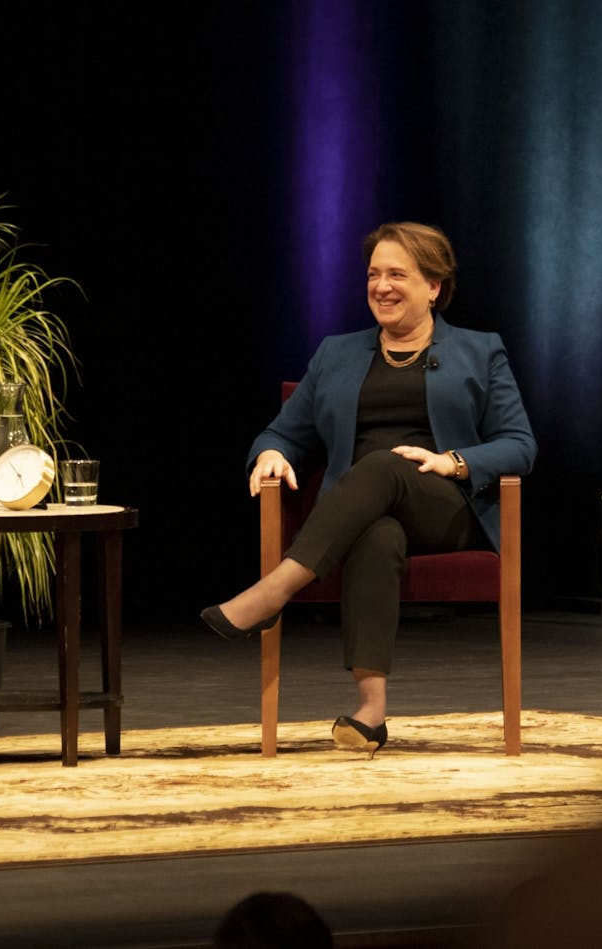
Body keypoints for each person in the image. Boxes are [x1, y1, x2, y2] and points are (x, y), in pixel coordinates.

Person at [201, 221, 537, 756]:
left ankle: (274, 590)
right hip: (361, 513)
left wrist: (452, 461)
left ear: (433, 287)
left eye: (397, 274)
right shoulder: (336, 354)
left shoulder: (481, 350)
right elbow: (283, 432)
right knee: (376, 534)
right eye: (373, 274)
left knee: (384, 465)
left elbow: (520, 444)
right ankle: (370, 714)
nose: (381, 285)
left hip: (445, 508)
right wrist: (270, 454)